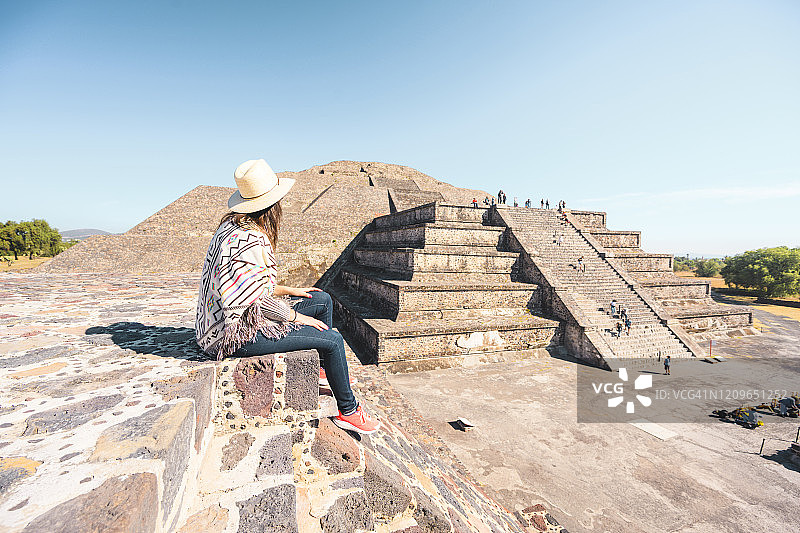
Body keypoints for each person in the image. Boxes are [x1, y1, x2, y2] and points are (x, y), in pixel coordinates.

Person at [196, 159, 380, 434]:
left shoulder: (231, 230)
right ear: (271, 206)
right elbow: (253, 301)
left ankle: (324, 369)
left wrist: (291, 291)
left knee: (322, 299)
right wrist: (296, 316)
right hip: (233, 335)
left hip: (226, 322)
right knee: (332, 339)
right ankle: (349, 410)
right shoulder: (251, 241)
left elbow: (249, 285)